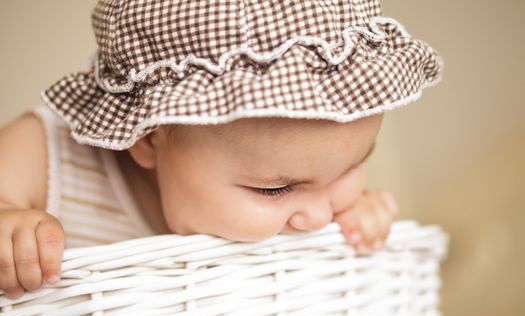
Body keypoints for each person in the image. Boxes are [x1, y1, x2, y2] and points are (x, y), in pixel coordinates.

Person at [0, 0, 443, 300]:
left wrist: (359, 222)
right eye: (275, 189)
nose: (319, 217)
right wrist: (8, 224)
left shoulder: (319, 204)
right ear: (149, 136)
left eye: (351, 168)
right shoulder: (46, 155)